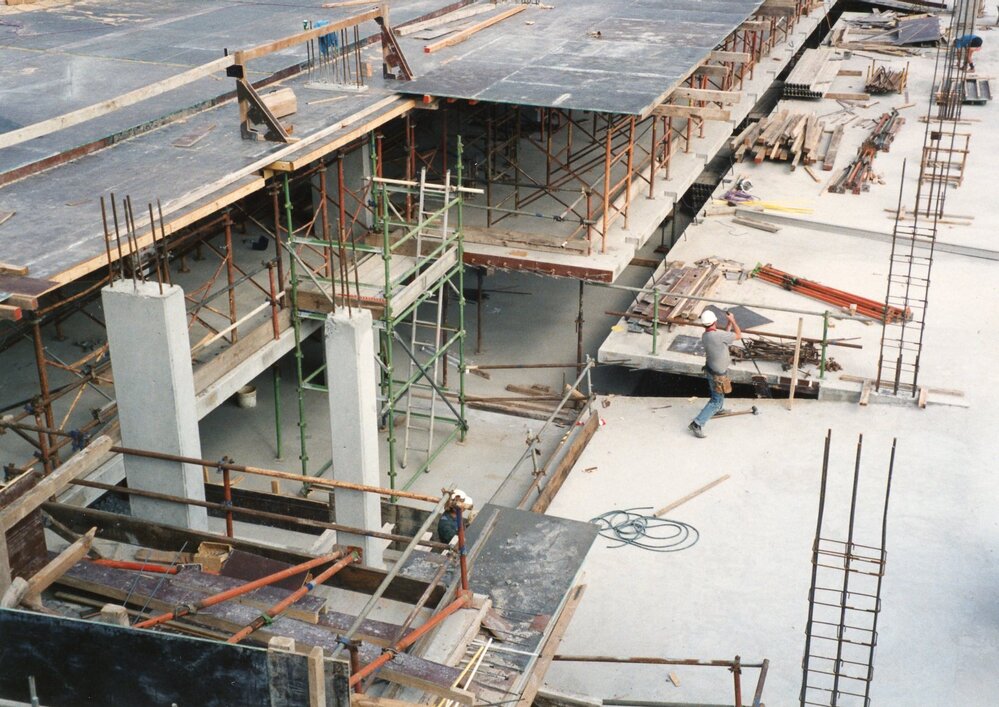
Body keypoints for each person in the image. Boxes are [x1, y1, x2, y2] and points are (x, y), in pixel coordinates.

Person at [688, 309, 742, 439]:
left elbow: (725, 336)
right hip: (718, 374)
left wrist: (728, 324)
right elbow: (738, 335)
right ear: (715, 321)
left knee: (718, 392)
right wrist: (733, 320)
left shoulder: (707, 335)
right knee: (716, 399)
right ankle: (697, 423)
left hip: (711, 370)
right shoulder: (717, 336)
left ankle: (718, 410)